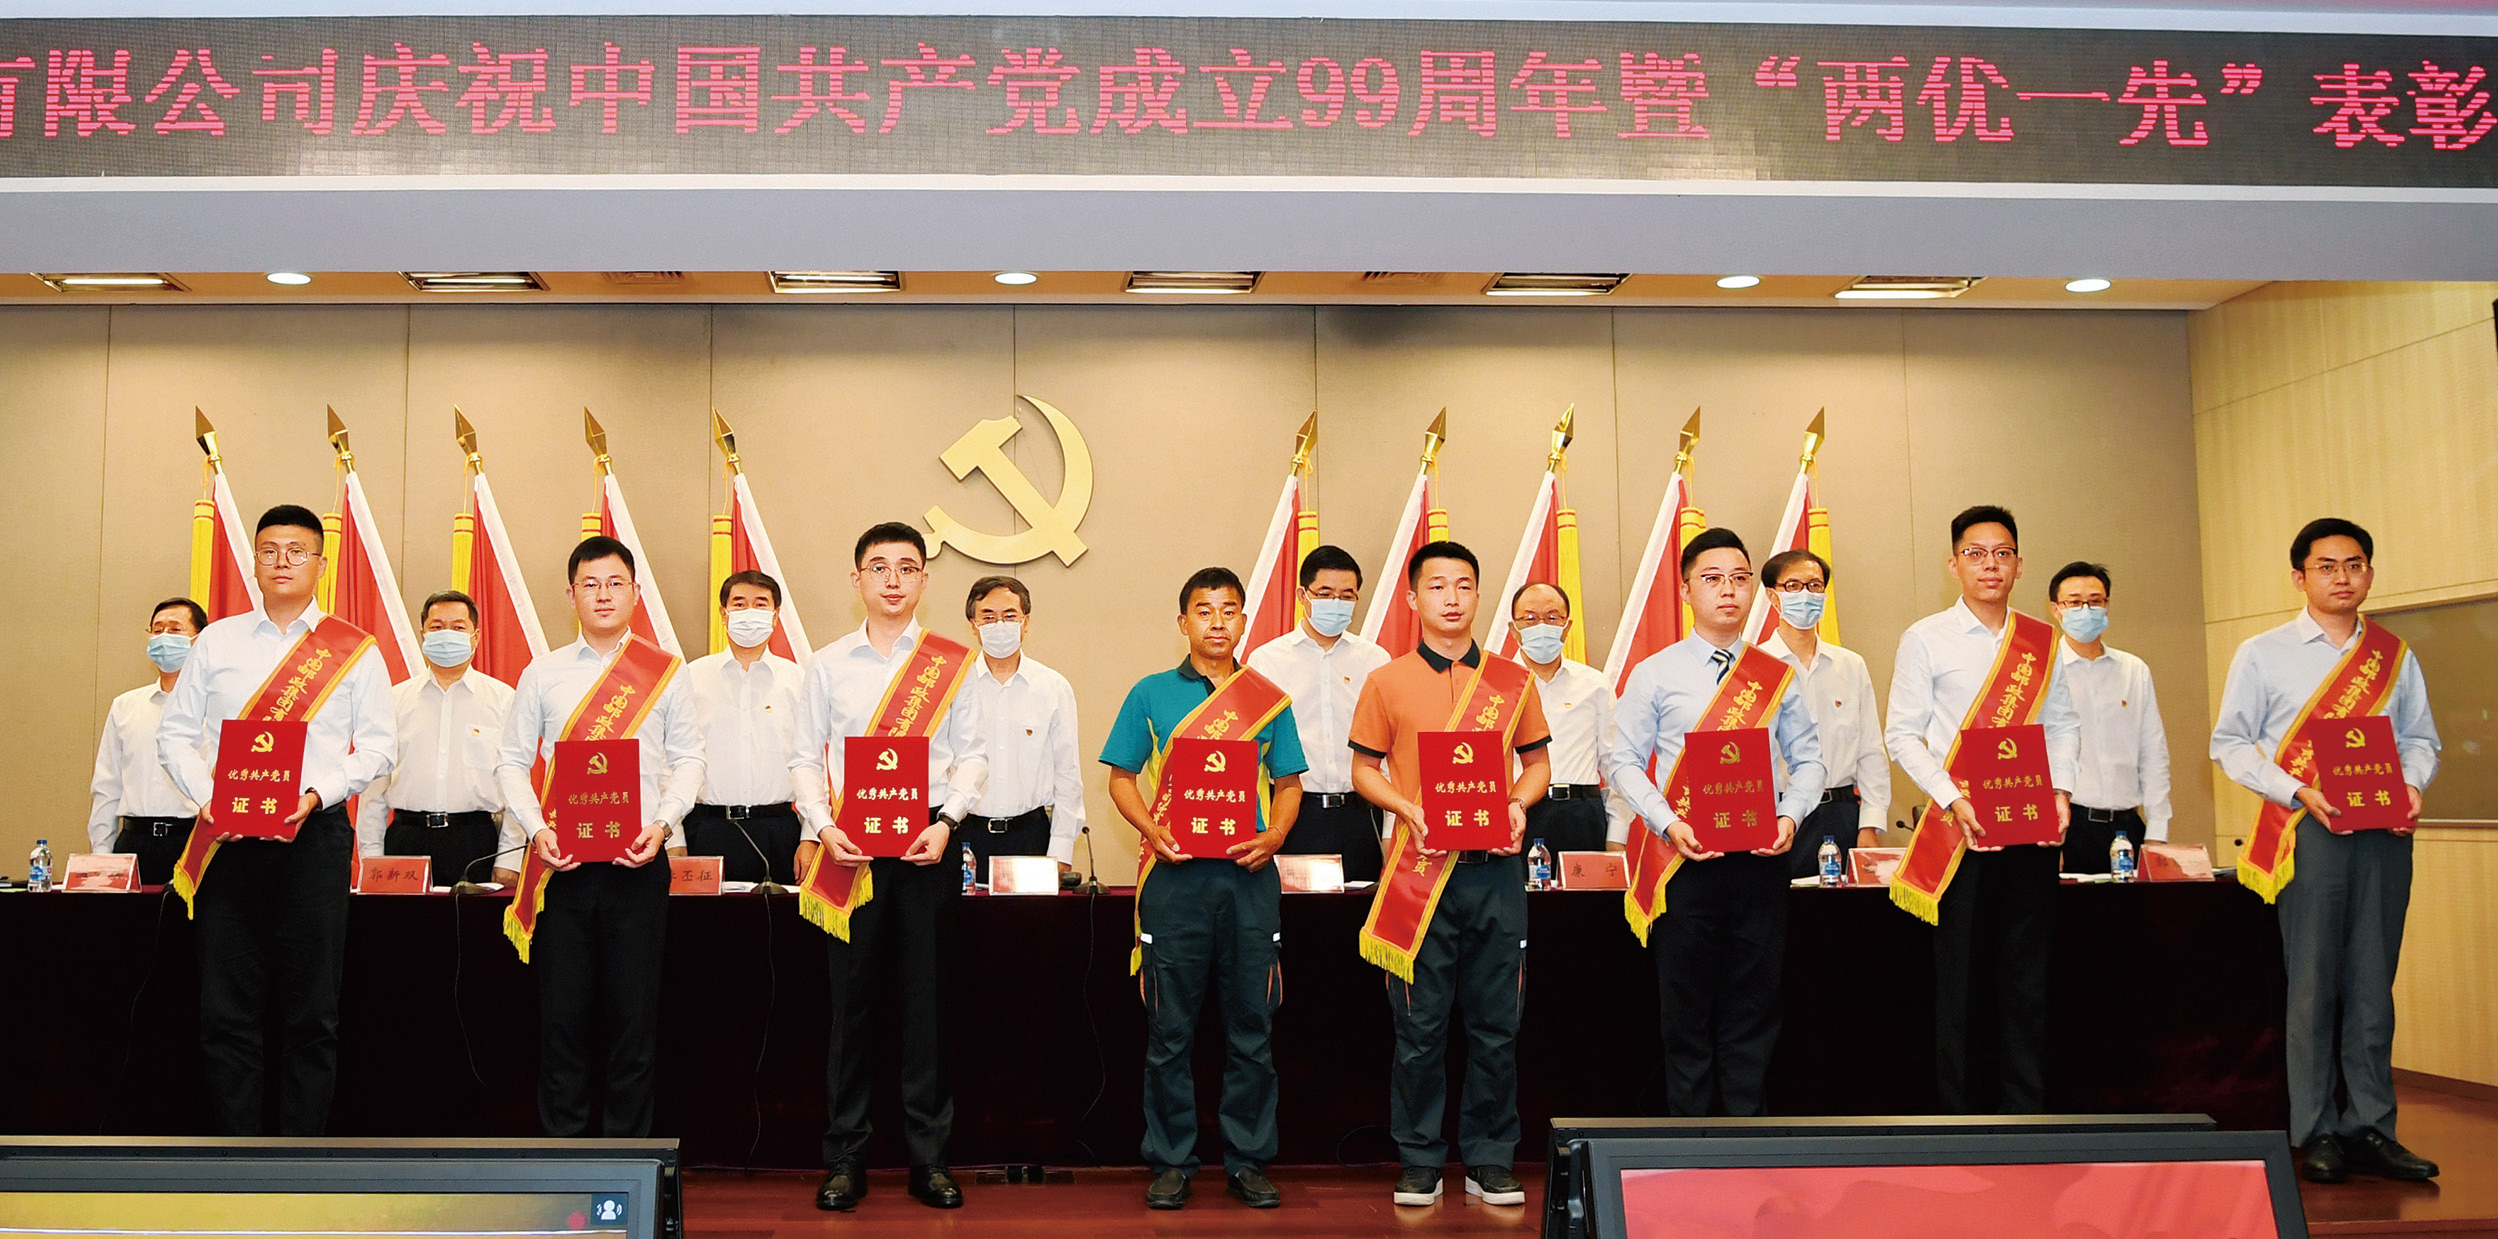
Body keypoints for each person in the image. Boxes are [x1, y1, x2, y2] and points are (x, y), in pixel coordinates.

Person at [2212, 518, 2440, 1184]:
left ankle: (2371, 1125)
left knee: (2373, 984)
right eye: (2327, 566)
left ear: (2369, 572)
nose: (2343, 577)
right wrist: (2295, 789)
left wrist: (2412, 785)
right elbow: (2231, 743)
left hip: (2385, 833)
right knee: (2312, 984)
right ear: (2299, 576)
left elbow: (2420, 738)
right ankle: (2315, 1129)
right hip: (2307, 831)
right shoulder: (2263, 652)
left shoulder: (2394, 654)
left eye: (2355, 564)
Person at [157, 505, 395, 1136]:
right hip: (228, 840)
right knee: (226, 1011)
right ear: (254, 561)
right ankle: (236, 1159)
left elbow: (379, 748)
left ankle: (301, 1161)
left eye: (296, 551)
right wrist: (208, 798)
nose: (282, 561)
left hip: (313, 840)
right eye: (269, 550)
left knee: (311, 1011)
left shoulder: (354, 650)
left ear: (321, 563)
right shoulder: (217, 642)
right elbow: (175, 735)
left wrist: (318, 793)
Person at [791, 522, 989, 1213]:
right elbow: (803, 757)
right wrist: (823, 827)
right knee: (852, 1009)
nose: (894, 579)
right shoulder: (827, 664)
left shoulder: (952, 662)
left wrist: (947, 821)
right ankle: (846, 1157)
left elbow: (973, 754)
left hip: (926, 846)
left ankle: (929, 1160)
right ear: (858, 580)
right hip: (850, 847)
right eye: (879, 567)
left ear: (924, 580)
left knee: (926, 1006)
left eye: (907, 567)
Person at [1350, 541, 1551, 1209]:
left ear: (1478, 595)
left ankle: (1491, 1157)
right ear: (1413, 599)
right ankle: (1419, 1158)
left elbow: (1537, 764)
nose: (1452, 597)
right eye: (1437, 586)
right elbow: (1363, 769)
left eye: (1464, 585)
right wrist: (1406, 808)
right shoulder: (1387, 681)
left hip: (1494, 875)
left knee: (1497, 1025)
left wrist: (1517, 803)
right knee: (1419, 1027)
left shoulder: (1512, 681)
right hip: (1420, 872)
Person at [1103, 566, 1306, 1211]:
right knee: (1170, 1030)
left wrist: (1275, 834)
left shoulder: (1269, 698)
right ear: (1183, 621)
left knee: (1252, 1028)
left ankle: (1248, 1160)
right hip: (1176, 880)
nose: (1217, 621)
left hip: (1249, 879)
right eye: (1204, 609)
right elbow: (1120, 777)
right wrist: (1151, 829)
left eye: (1229, 610)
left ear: (1243, 620)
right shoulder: (1151, 693)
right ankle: (1171, 1161)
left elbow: (1290, 783)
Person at [1605, 529, 1823, 1118]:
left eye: (1739, 578)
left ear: (1753, 589)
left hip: (1761, 859)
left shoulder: (1774, 674)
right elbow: (1622, 762)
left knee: (1755, 1002)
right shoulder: (1654, 672)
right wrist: (1666, 821)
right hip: (1684, 861)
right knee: (1686, 1004)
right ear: (1685, 591)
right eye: (1712, 579)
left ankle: (1748, 1134)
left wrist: (1790, 814)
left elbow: (1810, 759)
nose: (1728, 590)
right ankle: (1692, 1137)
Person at [493, 535, 702, 1139]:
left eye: (615, 584)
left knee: (633, 1020)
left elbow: (689, 759)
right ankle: (564, 1155)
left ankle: (628, 1156)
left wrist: (662, 824)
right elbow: (511, 762)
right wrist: (537, 830)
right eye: (590, 584)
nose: (603, 595)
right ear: (571, 595)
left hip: (638, 863)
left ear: (635, 592)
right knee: (563, 1018)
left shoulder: (665, 672)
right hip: (561, 866)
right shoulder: (543, 673)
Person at [1885, 505, 2078, 1115]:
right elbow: (1902, 735)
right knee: (1960, 982)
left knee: (2028, 980)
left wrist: (2062, 791)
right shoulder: (1925, 637)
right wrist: (1953, 796)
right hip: (1958, 833)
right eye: (1976, 553)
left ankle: (2027, 1115)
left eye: (2002, 553)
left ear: (2019, 564)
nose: (1990, 565)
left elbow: (2063, 725)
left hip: (2030, 830)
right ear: (1954, 565)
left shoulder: (2042, 641)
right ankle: (1960, 1121)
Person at [1247, 545, 1392, 882]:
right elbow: (1252, 751)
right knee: (1298, 912)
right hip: (1294, 815)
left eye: (1347, 596)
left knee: (1362, 910)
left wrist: (1388, 833)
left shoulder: (1376, 660)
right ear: (1303, 595)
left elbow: (1389, 752)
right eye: (1325, 594)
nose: (1336, 604)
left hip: (1361, 815)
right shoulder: (1266, 661)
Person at [355, 590, 513, 888]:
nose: (446, 635)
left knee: (474, 921)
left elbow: (516, 787)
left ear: (476, 637)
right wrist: (371, 858)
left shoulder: (504, 700)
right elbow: (374, 793)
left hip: (476, 841)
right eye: (437, 627)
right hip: (407, 839)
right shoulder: (394, 700)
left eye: (458, 627)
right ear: (423, 634)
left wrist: (509, 860)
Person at [1756, 550, 1889, 879]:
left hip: (1841, 814)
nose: (1806, 594)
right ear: (1772, 596)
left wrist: (1870, 825)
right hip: (1777, 818)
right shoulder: (1753, 668)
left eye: (1814, 585)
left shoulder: (1850, 665)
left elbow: (1871, 750)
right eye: (1793, 586)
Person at [2045, 562, 2173, 874]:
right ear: (2055, 609)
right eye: (2074, 602)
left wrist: (2157, 831)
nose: (2086, 610)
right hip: (2066, 827)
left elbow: (2153, 753)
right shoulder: (2041, 671)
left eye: (2095, 601)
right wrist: (2046, 836)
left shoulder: (2134, 670)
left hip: (2127, 828)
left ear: (2107, 605)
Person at [960, 575, 1086, 884]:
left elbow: (1068, 776)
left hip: (1031, 836)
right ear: (973, 625)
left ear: (1025, 622)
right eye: (988, 617)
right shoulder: (955, 685)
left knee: (1028, 918)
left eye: (1009, 616)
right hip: (965, 837)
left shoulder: (1052, 687)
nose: (999, 625)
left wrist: (1061, 852)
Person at [681, 570, 804, 884]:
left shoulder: (797, 679)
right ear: (724, 614)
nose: (750, 612)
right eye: (739, 604)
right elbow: (673, 761)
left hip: (780, 831)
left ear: (775, 616)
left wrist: (811, 837)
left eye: (761, 604)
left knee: (782, 917)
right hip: (707, 830)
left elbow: (812, 763)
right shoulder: (692, 677)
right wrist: (674, 839)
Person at [1505, 580, 1630, 855]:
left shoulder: (1594, 685)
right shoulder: (1496, 687)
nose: (1541, 626)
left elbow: (1616, 765)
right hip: (1517, 817)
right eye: (1530, 618)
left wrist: (1617, 836)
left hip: (1582, 817)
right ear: (1514, 630)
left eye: (1552, 618)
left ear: (1567, 627)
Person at [90, 597, 205, 885]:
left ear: (200, 639)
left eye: (175, 630)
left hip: (195, 842)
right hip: (135, 843)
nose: (164, 638)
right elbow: (107, 787)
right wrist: (101, 854)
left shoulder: (218, 708)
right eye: (157, 630)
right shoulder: (125, 706)